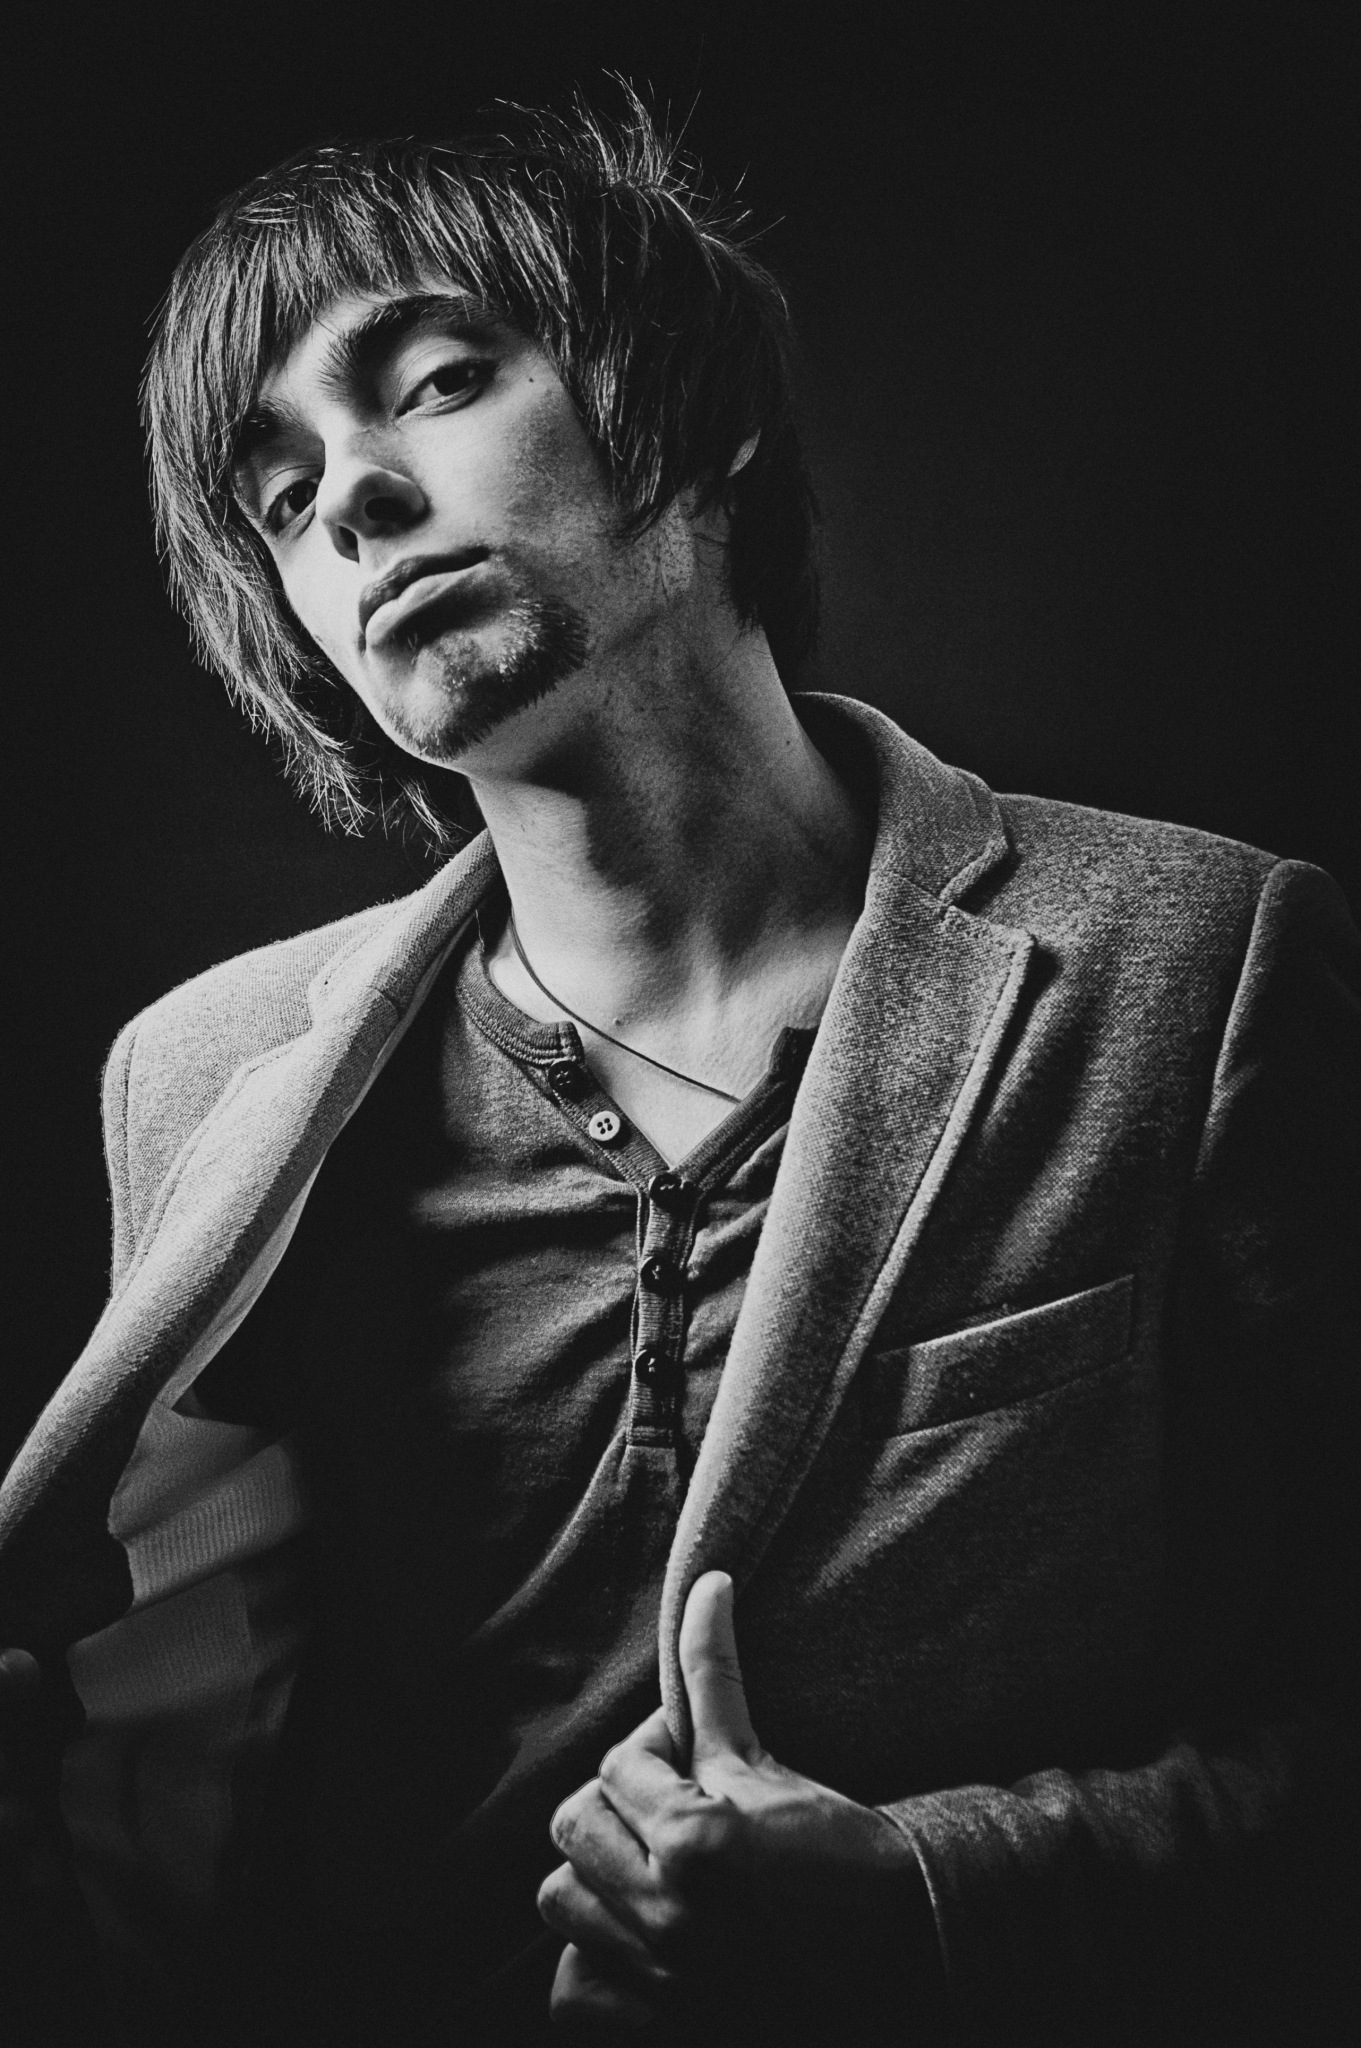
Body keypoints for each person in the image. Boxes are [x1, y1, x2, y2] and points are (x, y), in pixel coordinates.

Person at [1, 95, 1356, 2048]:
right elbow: (175, 1767)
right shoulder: (199, 1078)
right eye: (279, 494)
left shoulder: (1197, 966)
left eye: (434, 380)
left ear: (695, 408)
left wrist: (929, 1897)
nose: (354, 499)